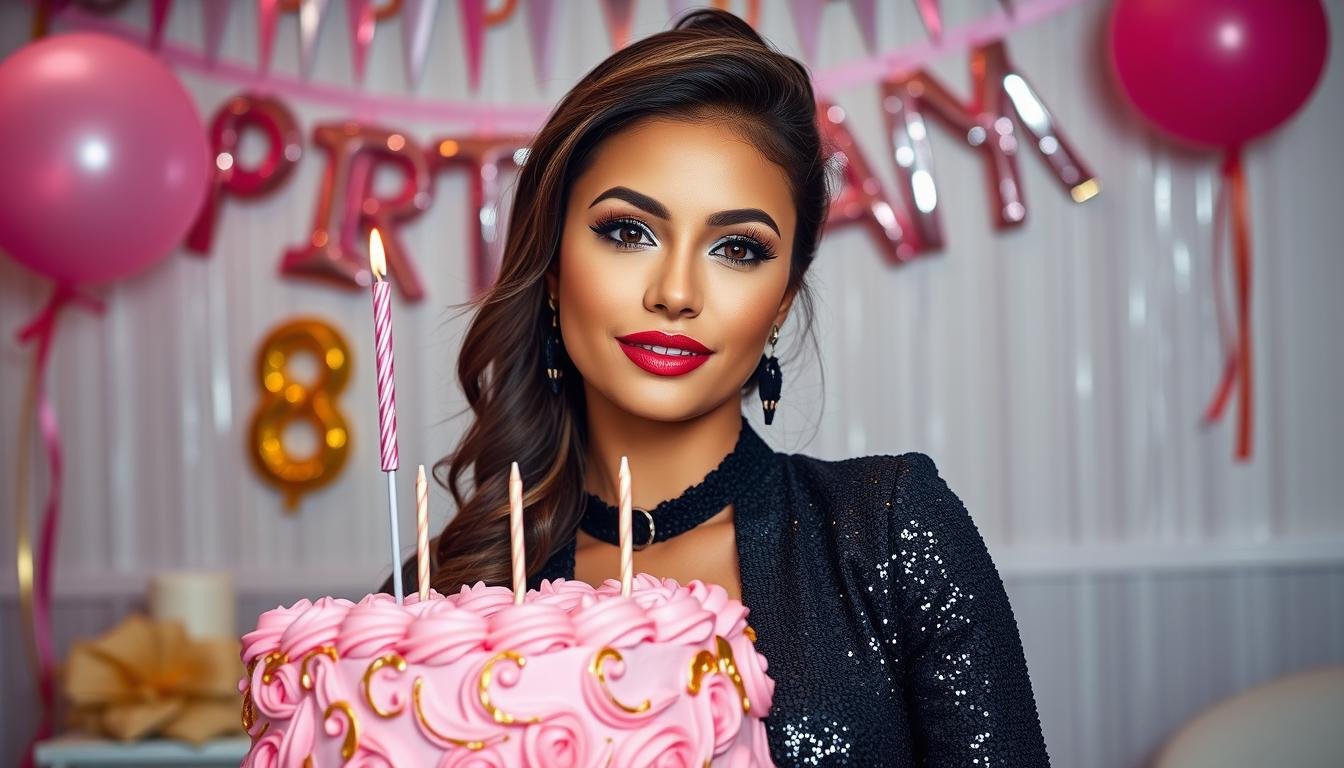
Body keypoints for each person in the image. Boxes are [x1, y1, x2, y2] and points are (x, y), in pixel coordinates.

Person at [381, 8, 1051, 765]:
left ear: (781, 306)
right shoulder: (443, 591)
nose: (676, 291)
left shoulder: (889, 536)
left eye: (738, 248)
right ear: (554, 270)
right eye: (628, 231)